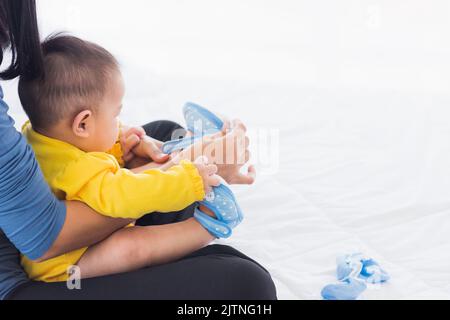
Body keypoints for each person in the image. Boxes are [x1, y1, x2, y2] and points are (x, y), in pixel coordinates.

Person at [0, 0, 277, 299]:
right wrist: (192, 175)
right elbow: (125, 196)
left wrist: (123, 140)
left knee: (161, 131)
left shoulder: (38, 134)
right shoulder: (85, 172)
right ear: (83, 123)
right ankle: (210, 224)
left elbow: (65, 143)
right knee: (239, 282)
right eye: (116, 114)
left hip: (33, 235)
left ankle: (188, 146)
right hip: (62, 270)